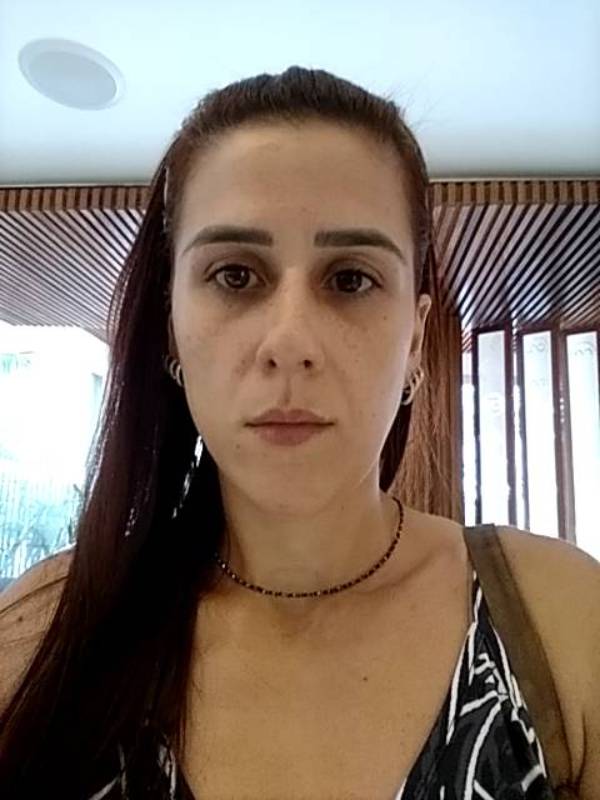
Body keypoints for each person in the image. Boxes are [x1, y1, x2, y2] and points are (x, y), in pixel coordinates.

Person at [0, 66, 598, 799]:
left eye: (350, 279)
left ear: (415, 340)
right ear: (170, 330)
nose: (290, 342)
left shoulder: (560, 622)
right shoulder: (42, 635)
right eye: (235, 275)